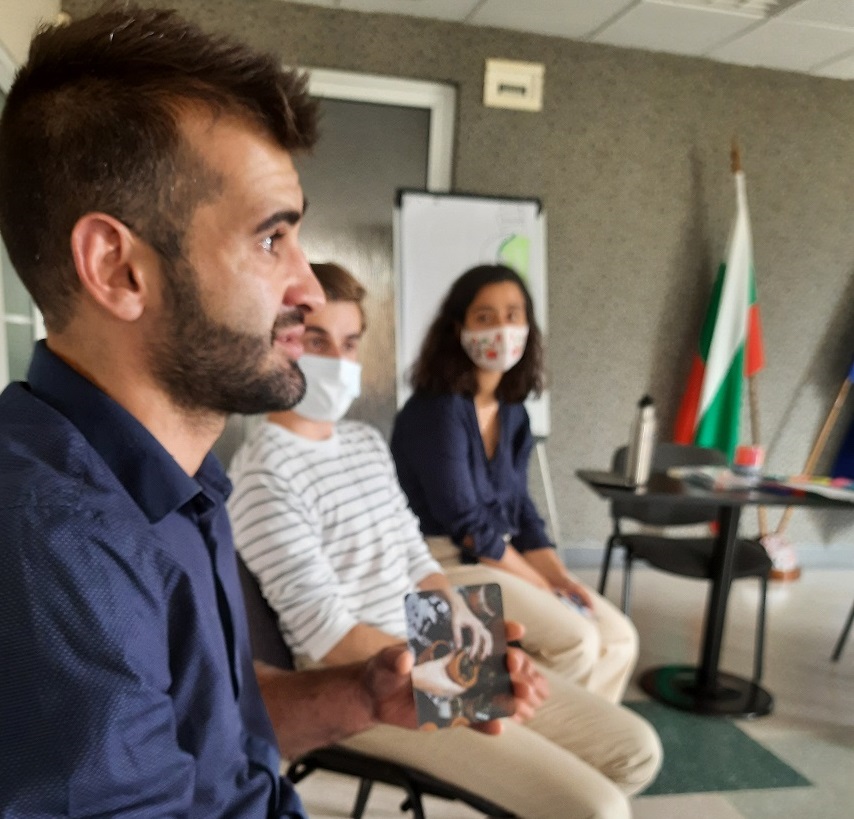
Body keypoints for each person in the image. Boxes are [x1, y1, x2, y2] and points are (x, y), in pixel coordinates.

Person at [0, 10, 544, 818]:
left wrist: (364, 692)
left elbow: (215, 729)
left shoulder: (182, 476)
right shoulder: (61, 546)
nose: (309, 288)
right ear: (118, 268)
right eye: (270, 238)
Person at [228, 261, 662, 819]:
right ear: (281, 343)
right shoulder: (264, 472)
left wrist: (480, 649)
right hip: (364, 683)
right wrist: (473, 674)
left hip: (431, 650)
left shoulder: (363, 442)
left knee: (635, 752)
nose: (338, 363)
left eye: (351, 343)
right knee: (600, 808)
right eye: (317, 341)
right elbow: (330, 637)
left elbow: (416, 559)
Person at [391, 263, 639, 704]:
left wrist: (561, 578)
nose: (502, 330)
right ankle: (548, 737)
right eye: (485, 317)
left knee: (620, 638)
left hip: (496, 556)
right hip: (442, 561)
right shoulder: (436, 411)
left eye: (513, 315)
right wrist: (540, 585)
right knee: (577, 640)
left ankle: (584, 746)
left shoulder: (512, 411)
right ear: (458, 328)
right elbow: (466, 523)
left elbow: (521, 509)